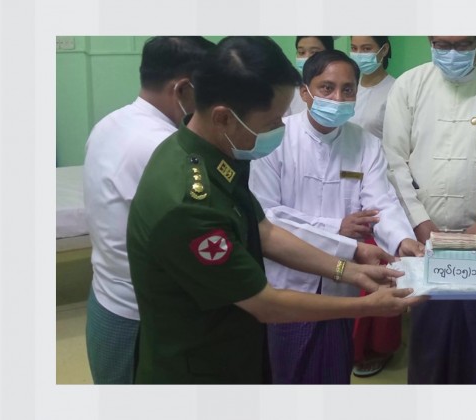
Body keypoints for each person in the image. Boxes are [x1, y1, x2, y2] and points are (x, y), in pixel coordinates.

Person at [126, 36, 425, 384]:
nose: (282, 129)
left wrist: (351, 269)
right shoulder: (191, 202)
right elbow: (264, 303)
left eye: (347, 90)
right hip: (199, 367)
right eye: (272, 121)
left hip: (235, 344)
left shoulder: (210, 157)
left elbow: (264, 230)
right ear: (224, 118)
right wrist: (365, 305)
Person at [250, 49, 422, 384]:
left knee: (333, 372)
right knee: (287, 375)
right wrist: (338, 231)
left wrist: (403, 240)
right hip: (288, 282)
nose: (338, 98)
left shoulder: (365, 143)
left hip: (342, 286)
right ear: (305, 92)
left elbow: (381, 203)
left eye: (348, 90)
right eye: (327, 88)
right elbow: (269, 216)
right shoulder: (275, 139)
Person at [383, 36, 476, 384]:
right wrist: (421, 223)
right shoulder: (410, 85)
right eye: (441, 44)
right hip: (424, 240)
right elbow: (394, 162)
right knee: (429, 340)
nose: (451, 53)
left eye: (462, 45)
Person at [83, 36, 214, 384]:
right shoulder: (165, 147)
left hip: (106, 298)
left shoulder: (110, 123)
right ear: (183, 89)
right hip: (143, 316)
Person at [347, 35, 401, 378]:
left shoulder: (396, 90)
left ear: (384, 49)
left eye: (367, 48)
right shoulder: (345, 85)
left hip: (378, 186)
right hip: (341, 186)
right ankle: (349, 344)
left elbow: (395, 150)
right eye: (354, 47)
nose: (359, 54)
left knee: (377, 269)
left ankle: (378, 346)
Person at [285, 36, 334, 117]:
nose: (307, 58)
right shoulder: (289, 89)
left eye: (314, 53)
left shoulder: (339, 88)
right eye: (301, 52)